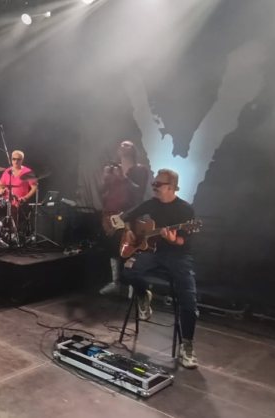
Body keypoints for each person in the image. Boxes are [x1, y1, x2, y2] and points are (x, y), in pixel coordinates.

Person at [120, 168, 198, 369]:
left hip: (178, 255)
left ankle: (187, 344)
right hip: (153, 252)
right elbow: (127, 216)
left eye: (158, 184)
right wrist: (129, 232)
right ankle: (143, 295)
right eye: (153, 183)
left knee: (189, 297)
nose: (153, 187)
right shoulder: (151, 204)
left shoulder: (185, 210)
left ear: (172, 187)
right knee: (129, 269)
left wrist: (172, 239)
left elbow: (183, 241)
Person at [99, 140, 150, 296]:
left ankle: (132, 286)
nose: (123, 146)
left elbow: (138, 192)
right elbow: (103, 192)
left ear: (134, 150)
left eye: (127, 145)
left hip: (130, 214)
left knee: (129, 248)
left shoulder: (139, 169)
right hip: (111, 214)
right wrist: (106, 177)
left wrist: (124, 177)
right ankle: (116, 282)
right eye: (121, 145)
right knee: (113, 247)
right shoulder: (113, 168)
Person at [0, 150, 37, 235]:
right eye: (14, 159)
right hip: (6, 202)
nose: (16, 161)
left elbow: (34, 188)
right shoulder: (7, 171)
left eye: (18, 159)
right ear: (11, 159)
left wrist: (25, 198)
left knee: (14, 213)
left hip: (20, 203)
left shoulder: (27, 172)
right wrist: (0, 190)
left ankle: (15, 234)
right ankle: (0, 234)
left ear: (22, 160)